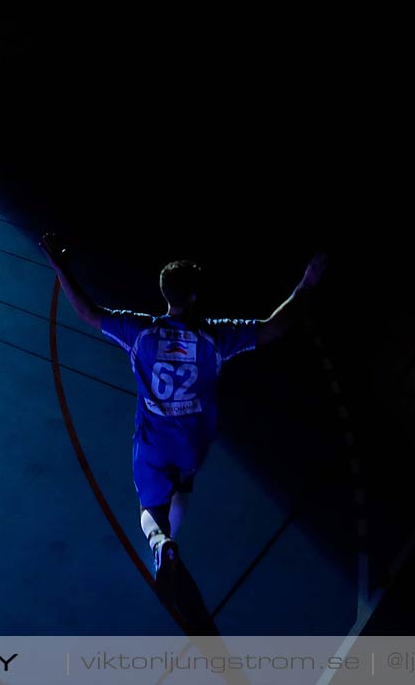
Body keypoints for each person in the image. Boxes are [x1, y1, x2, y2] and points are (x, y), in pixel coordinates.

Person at [41, 234, 328, 580]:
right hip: (193, 442)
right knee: (183, 487)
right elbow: (273, 328)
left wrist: (60, 267)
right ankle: (172, 541)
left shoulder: (140, 333)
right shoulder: (214, 338)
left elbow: (88, 312)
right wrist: (306, 284)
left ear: (164, 293)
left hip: (153, 441)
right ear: (194, 295)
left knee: (150, 507)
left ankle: (161, 543)